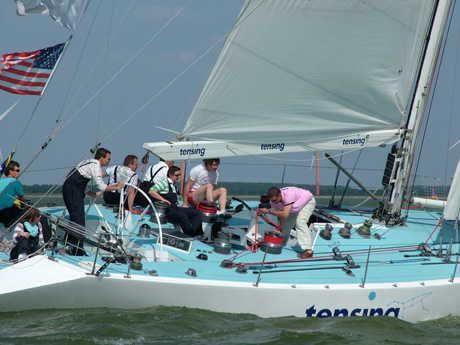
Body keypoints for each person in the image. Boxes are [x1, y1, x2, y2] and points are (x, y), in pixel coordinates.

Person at [62, 148, 124, 254]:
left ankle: (70, 244)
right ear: (101, 158)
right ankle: (77, 249)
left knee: (76, 218)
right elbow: (101, 186)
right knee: (78, 219)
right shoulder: (96, 166)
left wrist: (90, 193)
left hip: (71, 188)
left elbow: (77, 181)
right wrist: (117, 187)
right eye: (108, 159)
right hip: (73, 190)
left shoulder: (88, 162)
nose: (109, 161)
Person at [259, 186, 316, 258]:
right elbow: (279, 213)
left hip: (307, 202)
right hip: (294, 206)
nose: (273, 202)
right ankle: (280, 244)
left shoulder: (288, 195)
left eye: (275, 200)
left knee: (300, 222)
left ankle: (308, 251)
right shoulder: (273, 201)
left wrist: (269, 211)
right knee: (284, 226)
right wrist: (280, 225)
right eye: (272, 201)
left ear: (279, 195)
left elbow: (285, 214)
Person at [149, 166, 204, 238]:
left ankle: (198, 234)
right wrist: (163, 199)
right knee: (182, 215)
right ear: (170, 175)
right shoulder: (165, 182)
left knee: (196, 212)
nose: (178, 177)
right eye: (176, 175)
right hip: (167, 211)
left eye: (179, 175)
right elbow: (151, 191)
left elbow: (176, 200)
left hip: (175, 208)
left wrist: (178, 203)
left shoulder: (174, 186)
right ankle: (190, 235)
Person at [0, 161, 26, 227]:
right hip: (6, 213)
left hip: (1, 212)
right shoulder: (15, 182)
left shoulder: (1, 181)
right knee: (29, 214)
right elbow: (22, 199)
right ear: (10, 171)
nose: (19, 172)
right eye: (17, 170)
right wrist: (25, 208)